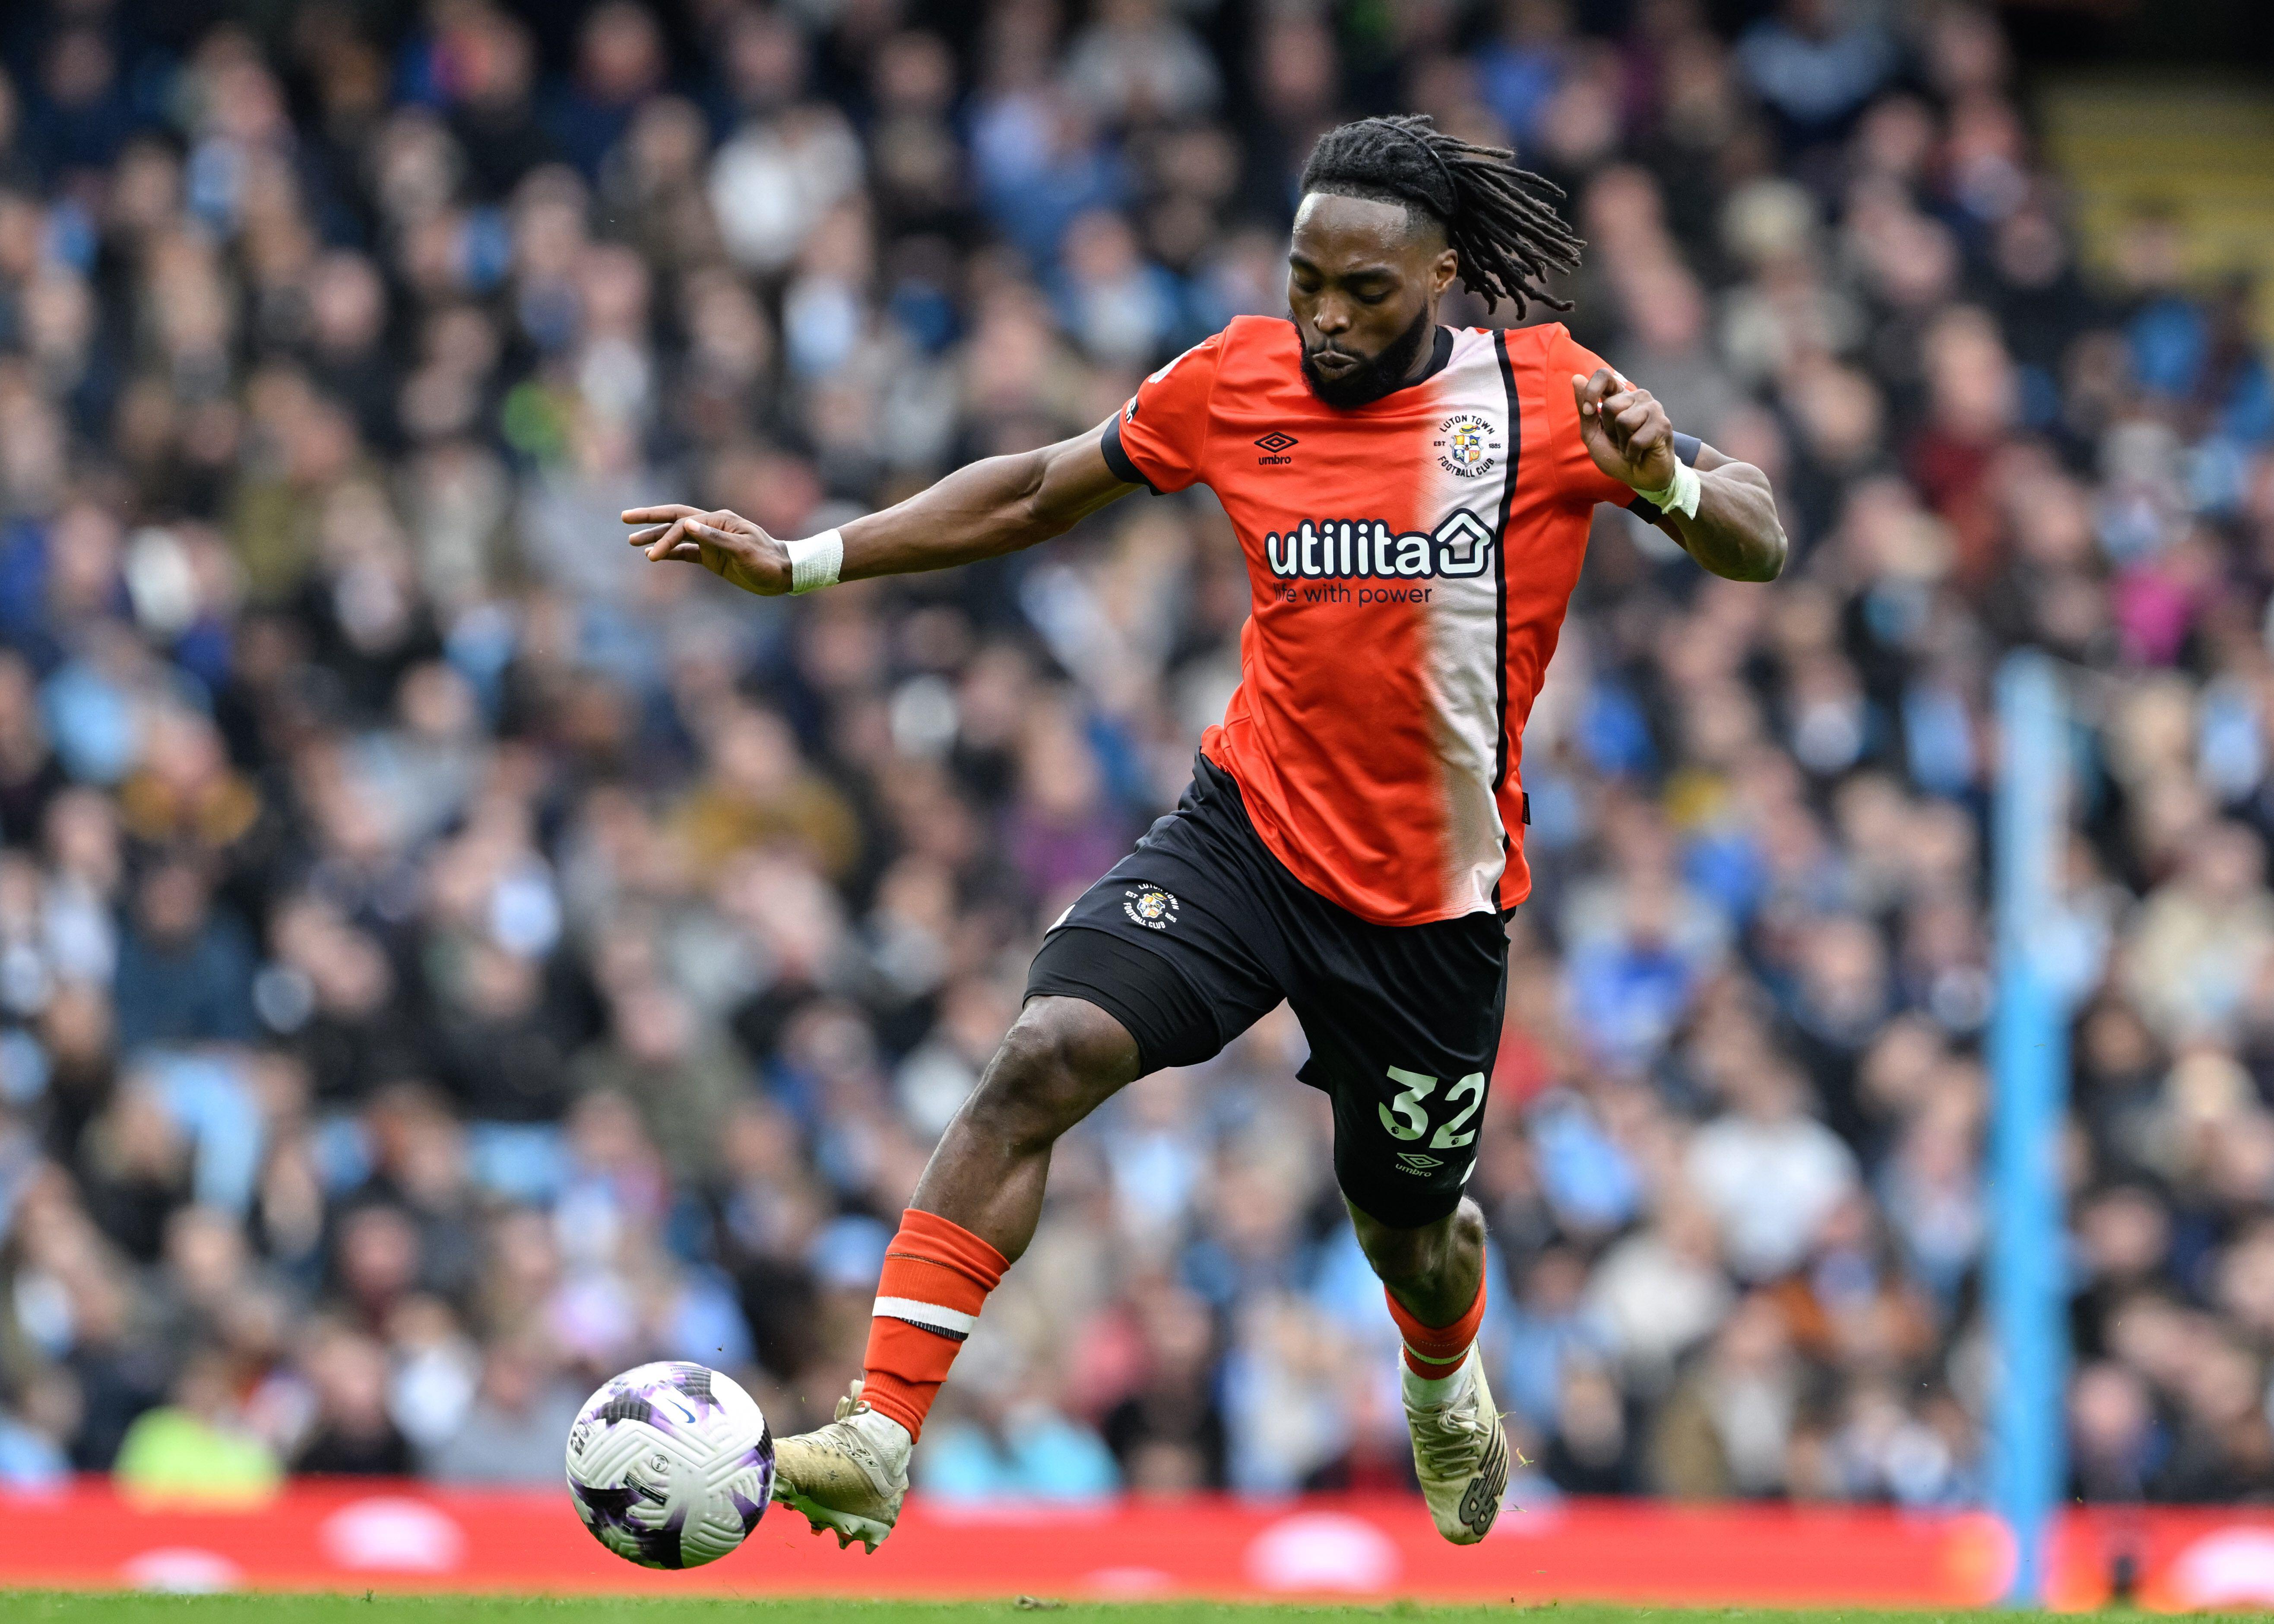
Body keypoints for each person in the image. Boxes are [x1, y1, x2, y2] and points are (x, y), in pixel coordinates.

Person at [623, 113, 1785, 1550]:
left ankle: (1440, 1378)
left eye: (1363, 289)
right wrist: (804, 558)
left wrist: (1666, 478)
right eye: (1306, 276)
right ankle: (878, 1429)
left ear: (1439, 278)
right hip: (1243, 835)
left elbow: (1758, 534)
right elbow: (1046, 485)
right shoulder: (1234, 377)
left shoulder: (1548, 394)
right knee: (1043, 1052)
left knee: (1407, 1231)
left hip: (1429, 908)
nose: (1324, 314)